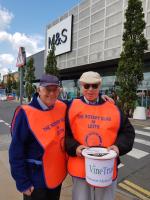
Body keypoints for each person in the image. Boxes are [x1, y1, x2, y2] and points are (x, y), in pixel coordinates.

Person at [65, 71, 135, 200]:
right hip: (80, 168)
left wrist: (119, 146)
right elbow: (64, 134)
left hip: (105, 169)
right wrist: (74, 147)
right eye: (86, 86)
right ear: (81, 86)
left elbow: (128, 132)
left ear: (100, 86)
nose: (90, 89)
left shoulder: (113, 108)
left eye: (94, 86)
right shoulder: (70, 107)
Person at [9, 74, 67, 200]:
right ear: (39, 90)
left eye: (55, 89)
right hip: (36, 181)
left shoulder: (61, 106)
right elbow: (16, 151)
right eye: (47, 89)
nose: (52, 94)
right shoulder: (25, 114)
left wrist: (101, 97)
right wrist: (22, 182)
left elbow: (81, 104)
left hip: (56, 176)